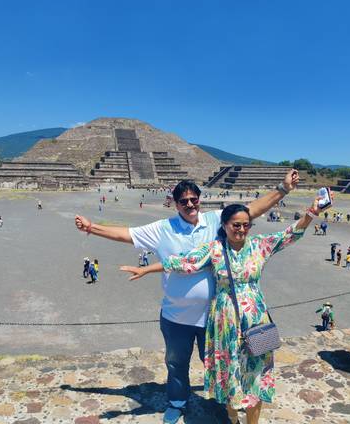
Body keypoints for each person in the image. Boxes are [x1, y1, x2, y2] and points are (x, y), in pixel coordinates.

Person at [75, 172, 299, 424]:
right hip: (176, 315)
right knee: (176, 363)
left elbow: (253, 210)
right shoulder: (162, 228)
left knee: (219, 364)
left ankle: (222, 402)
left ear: (200, 199)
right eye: (184, 201)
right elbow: (126, 234)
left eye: (194, 199)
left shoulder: (216, 220)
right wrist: (92, 228)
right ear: (175, 203)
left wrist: (284, 188)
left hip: (215, 318)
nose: (190, 204)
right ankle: (177, 403)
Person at [121, 198, 321, 424]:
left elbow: (289, 234)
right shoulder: (214, 249)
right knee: (229, 371)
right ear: (224, 225)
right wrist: (146, 269)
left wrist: (311, 214)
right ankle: (233, 416)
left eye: (246, 224)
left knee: (255, 374)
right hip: (224, 322)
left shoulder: (259, 245)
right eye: (236, 225)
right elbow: (184, 262)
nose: (242, 229)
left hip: (255, 321)